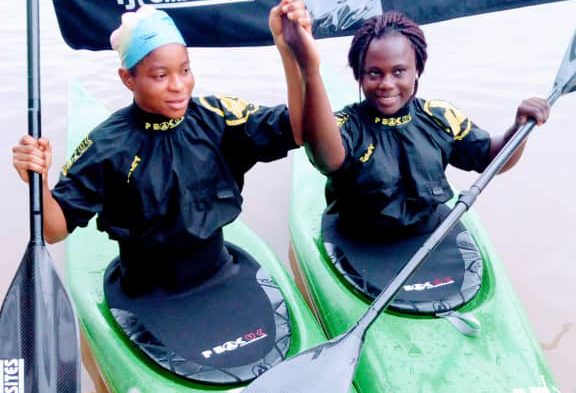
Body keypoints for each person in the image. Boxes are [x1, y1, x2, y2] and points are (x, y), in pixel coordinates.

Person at [12, 2, 311, 294]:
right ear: (128, 79)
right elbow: (55, 230)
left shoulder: (217, 118)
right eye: (160, 76)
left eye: (185, 70)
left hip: (220, 273)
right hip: (147, 292)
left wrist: (291, 54)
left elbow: (300, 131)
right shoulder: (108, 146)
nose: (178, 86)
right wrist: (37, 179)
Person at [280, 8, 550, 237]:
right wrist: (309, 69)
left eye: (399, 71)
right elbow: (327, 159)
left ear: (416, 69)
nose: (386, 84)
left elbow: (492, 158)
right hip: (359, 242)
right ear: (359, 77)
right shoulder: (347, 125)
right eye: (374, 73)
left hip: (427, 235)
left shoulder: (440, 117)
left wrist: (519, 130)